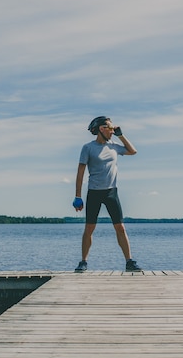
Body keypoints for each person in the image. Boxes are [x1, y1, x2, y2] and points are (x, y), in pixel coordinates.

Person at [72, 116, 143, 273]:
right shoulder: (88, 148)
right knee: (89, 228)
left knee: (120, 228)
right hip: (94, 193)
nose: (112, 131)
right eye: (110, 128)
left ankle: (129, 261)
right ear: (101, 129)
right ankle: (83, 262)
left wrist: (120, 135)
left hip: (111, 192)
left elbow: (133, 151)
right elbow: (80, 172)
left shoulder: (114, 146)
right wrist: (78, 196)